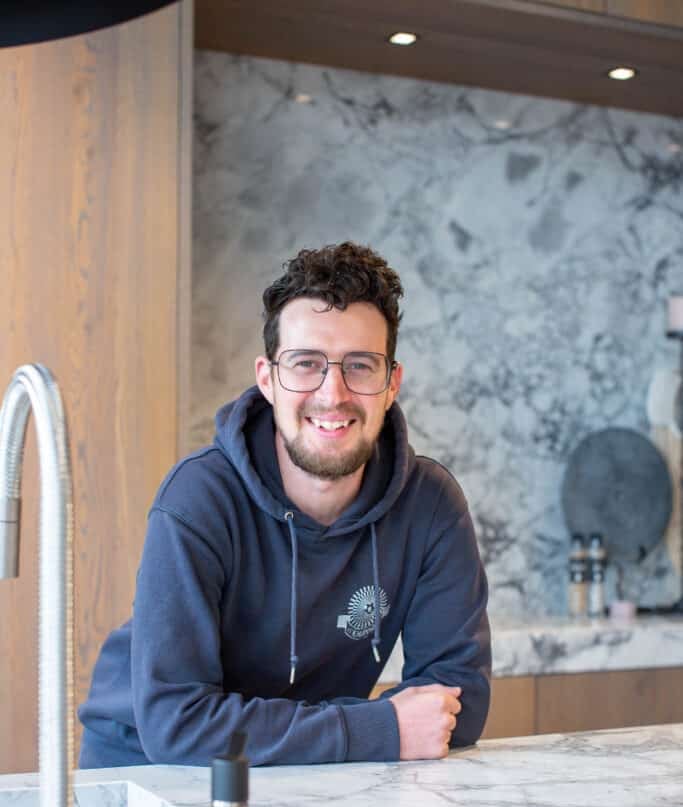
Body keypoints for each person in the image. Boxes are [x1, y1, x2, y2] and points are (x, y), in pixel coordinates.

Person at [78, 242, 491, 768]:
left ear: (391, 384)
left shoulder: (430, 505)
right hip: (148, 771)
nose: (332, 393)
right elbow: (176, 724)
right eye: (305, 364)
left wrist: (352, 734)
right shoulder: (199, 499)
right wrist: (377, 728)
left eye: (360, 366)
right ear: (267, 379)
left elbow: (456, 704)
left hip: (304, 772)